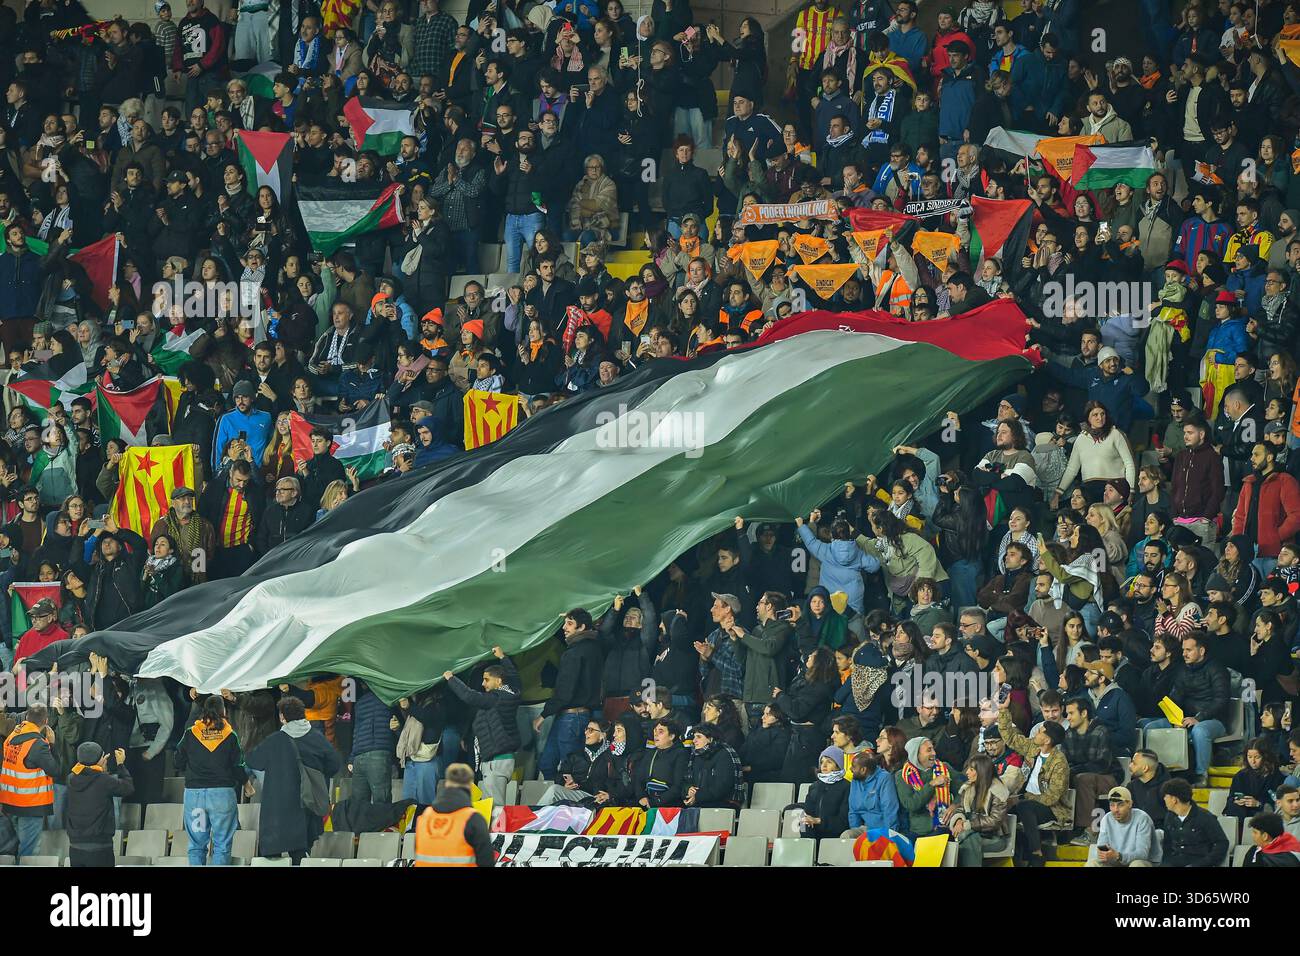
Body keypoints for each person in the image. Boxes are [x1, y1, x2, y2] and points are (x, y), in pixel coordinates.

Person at [244, 695, 342, 864]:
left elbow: (253, 760)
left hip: (279, 811)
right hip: (307, 804)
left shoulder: (275, 741)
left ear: (282, 717)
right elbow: (335, 764)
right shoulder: (316, 737)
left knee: (272, 858)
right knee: (301, 855)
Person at [442, 646, 522, 807]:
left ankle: (494, 833)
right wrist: (502, 657)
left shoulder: (495, 698)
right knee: (490, 806)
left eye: (486, 679)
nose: (483, 683)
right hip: (499, 759)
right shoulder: (512, 692)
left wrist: (451, 679)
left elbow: (469, 696)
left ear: (498, 681)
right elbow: (513, 677)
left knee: (494, 808)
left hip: (496, 761)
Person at [173, 694, 246, 866]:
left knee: (196, 846)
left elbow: (177, 761)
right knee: (222, 845)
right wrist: (246, 784)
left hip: (194, 796)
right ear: (223, 711)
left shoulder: (191, 733)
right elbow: (238, 765)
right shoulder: (230, 735)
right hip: (222, 795)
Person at [535, 608, 603, 780]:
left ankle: (570, 803)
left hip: (571, 716)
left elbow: (565, 689)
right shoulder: (595, 648)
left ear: (582, 627)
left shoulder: (573, 652)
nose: (564, 627)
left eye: (570, 623)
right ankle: (559, 800)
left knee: (568, 768)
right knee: (548, 763)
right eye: (565, 623)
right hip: (579, 714)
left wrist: (543, 715)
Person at [412, 762, 496, 867]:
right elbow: (486, 862)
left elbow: (417, 852)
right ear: (470, 786)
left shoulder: (425, 816)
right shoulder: (473, 819)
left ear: (447, 783)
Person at [0, 705, 57, 859]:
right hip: (29, 806)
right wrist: (52, 744)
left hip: (9, 803)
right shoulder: (38, 744)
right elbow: (55, 770)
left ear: (26, 718)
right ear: (46, 721)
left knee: (14, 849)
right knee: (28, 853)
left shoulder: (12, 736)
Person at [64, 743, 133, 868]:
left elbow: (88, 773)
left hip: (75, 847)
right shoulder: (104, 780)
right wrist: (121, 765)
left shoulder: (71, 779)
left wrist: (100, 766)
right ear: (100, 760)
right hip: (100, 847)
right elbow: (127, 788)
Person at [1160, 777, 1229, 867]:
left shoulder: (1205, 817)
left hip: (1198, 862)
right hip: (1174, 862)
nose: (1164, 799)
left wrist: (1204, 863)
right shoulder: (1169, 817)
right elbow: (1167, 845)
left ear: (1174, 799)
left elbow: (1222, 843)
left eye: (1166, 796)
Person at [1087, 785, 1161, 867]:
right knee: (1092, 863)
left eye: (1120, 805)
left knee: (1137, 864)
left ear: (1129, 804)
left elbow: (1143, 854)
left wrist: (1119, 856)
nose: (1115, 810)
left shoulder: (1142, 818)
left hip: (1142, 861)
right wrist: (1103, 854)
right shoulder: (1107, 819)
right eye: (1112, 805)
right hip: (1116, 861)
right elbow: (1102, 848)